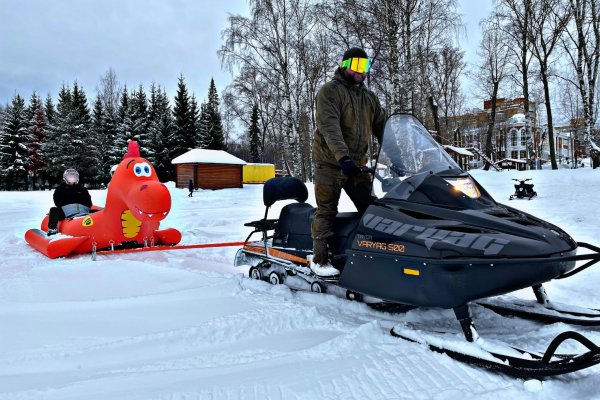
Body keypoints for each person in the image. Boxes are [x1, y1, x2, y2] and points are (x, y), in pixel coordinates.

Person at [310, 47, 386, 277]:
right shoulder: (330, 92)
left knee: (371, 208)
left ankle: (373, 255)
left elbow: (383, 128)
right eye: (356, 66)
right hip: (330, 163)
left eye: (365, 67)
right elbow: (329, 127)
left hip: (356, 165)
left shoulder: (369, 98)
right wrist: (342, 157)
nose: (361, 72)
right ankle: (320, 260)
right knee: (326, 211)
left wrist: (400, 154)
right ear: (345, 65)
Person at [47, 169, 93, 235]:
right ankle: (52, 228)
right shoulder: (60, 189)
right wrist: (67, 208)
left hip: (81, 211)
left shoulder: (82, 189)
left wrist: (81, 207)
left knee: (97, 211)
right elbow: (57, 201)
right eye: (70, 177)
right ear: (65, 178)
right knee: (54, 209)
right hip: (65, 213)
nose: (72, 178)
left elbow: (88, 202)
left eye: (73, 177)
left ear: (77, 178)